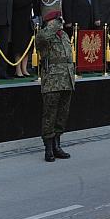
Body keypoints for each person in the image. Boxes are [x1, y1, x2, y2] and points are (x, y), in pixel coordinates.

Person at [36, 10, 74, 162]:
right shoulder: (43, 35)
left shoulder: (64, 35)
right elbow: (43, 38)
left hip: (66, 80)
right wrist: (53, 26)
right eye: (58, 20)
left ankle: (57, 145)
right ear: (51, 22)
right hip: (52, 81)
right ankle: (48, 148)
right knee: (49, 115)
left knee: (62, 115)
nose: (61, 23)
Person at [11, 0, 39, 77]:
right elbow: (18, 4)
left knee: (28, 46)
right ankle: (18, 69)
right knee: (19, 46)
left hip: (29, 20)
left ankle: (24, 68)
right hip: (19, 21)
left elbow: (33, 2)